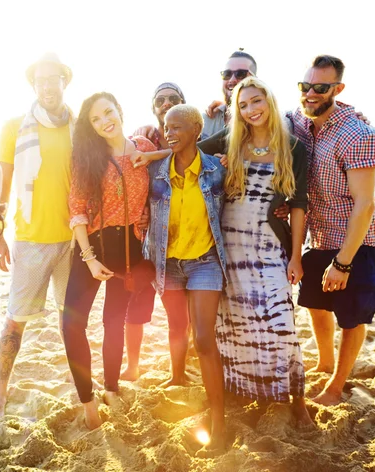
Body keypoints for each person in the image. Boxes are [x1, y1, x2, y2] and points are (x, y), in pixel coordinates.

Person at [215, 76, 313, 426]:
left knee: (280, 319)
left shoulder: (295, 148)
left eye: (256, 101)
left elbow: (298, 204)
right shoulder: (229, 143)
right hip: (229, 245)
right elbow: (185, 148)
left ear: (268, 101)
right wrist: (146, 150)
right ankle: (248, 390)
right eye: (243, 105)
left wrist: (296, 256)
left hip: (270, 246)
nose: (251, 110)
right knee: (237, 321)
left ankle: (297, 398)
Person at [134, 104, 228, 455]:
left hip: (205, 261)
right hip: (167, 263)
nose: (169, 132)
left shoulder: (217, 169)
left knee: (203, 339)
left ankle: (219, 421)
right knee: (177, 326)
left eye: (176, 128)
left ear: (196, 131)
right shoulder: (157, 170)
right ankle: (177, 375)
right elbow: (134, 200)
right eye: (165, 127)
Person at [286, 55, 375, 406]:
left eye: (320, 88)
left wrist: (343, 263)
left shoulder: (359, 134)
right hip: (320, 235)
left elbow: (365, 204)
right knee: (315, 302)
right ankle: (325, 363)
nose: (310, 93)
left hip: (358, 242)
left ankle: (338, 385)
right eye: (304, 86)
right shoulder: (300, 123)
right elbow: (263, 115)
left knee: (352, 317)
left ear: (337, 89)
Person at [62, 92, 157, 430]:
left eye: (107, 112)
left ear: (119, 109)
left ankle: (112, 388)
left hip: (129, 248)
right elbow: (77, 209)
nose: (105, 122)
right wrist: (88, 258)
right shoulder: (88, 157)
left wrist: (145, 215)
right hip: (93, 246)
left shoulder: (144, 148)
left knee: (113, 322)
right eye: (95, 120)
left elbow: (169, 164)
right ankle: (88, 401)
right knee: (72, 324)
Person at [0, 52, 75, 417]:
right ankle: (0, 387)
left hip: (73, 239)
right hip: (30, 239)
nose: (47, 86)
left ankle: (78, 381)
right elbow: (2, 183)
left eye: (53, 79)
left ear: (63, 82)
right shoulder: (13, 127)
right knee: (15, 319)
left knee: (70, 318)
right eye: (40, 81)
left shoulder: (78, 125)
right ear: (33, 85)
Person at [120, 82, 186, 382]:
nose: (166, 103)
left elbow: (186, 156)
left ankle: (181, 368)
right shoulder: (141, 140)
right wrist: (140, 211)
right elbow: (129, 178)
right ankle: (133, 365)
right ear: (153, 106)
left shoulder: (192, 138)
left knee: (179, 309)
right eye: (160, 99)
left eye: (173, 99)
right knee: (137, 303)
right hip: (146, 239)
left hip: (182, 236)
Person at [202, 50, 257, 140]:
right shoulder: (206, 119)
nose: (232, 80)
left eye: (240, 74)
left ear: (255, 80)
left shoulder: (267, 121)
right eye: (227, 74)